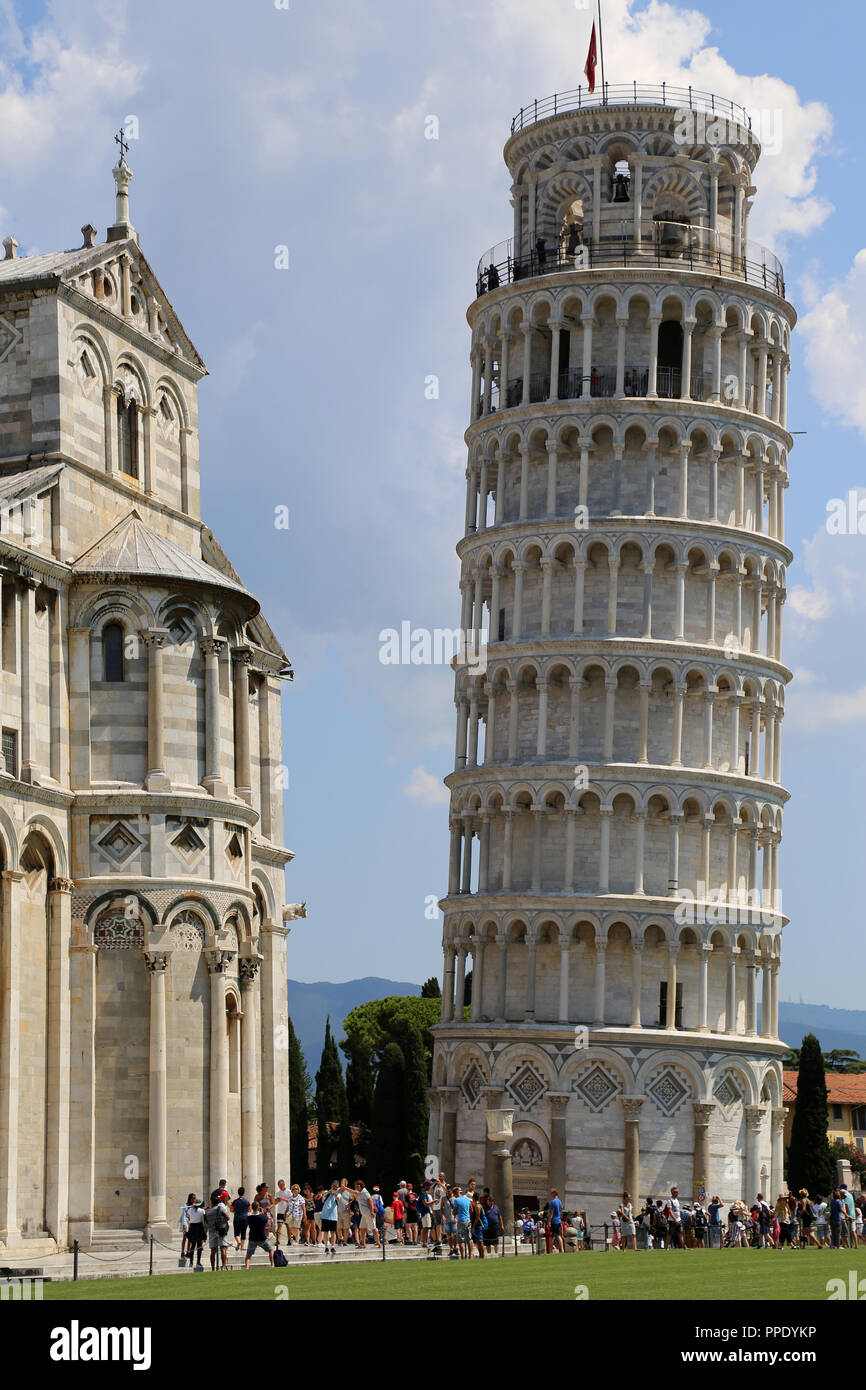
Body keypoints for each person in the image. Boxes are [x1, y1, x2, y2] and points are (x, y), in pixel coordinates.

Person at [204, 1192, 231, 1271]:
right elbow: (228, 1217)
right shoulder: (220, 1208)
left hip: (212, 1231)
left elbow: (206, 1222)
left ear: (211, 1202)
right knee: (223, 1248)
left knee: (213, 1250)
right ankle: (223, 1266)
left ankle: (213, 1268)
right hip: (221, 1230)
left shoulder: (208, 1211)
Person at [244, 1201, 274, 1268]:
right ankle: (272, 1264)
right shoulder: (262, 1217)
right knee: (270, 1250)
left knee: (248, 1255)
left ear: (252, 1208)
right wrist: (262, 1213)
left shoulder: (249, 1218)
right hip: (262, 1238)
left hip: (252, 1238)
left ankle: (247, 1267)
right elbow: (266, 1220)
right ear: (258, 1208)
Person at [354, 1180, 377, 1248]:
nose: (356, 1187)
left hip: (368, 1212)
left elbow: (370, 1202)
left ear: (361, 1186)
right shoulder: (360, 1192)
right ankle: (363, 1244)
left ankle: (378, 1243)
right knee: (362, 1228)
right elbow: (352, 1191)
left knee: (373, 1228)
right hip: (364, 1214)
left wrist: (372, 1212)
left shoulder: (365, 1192)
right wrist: (345, 1188)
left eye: (357, 1186)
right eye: (355, 1186)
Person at [185, 1197, 205, 1269]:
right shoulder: (201, 1210)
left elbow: (188, 1216)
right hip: (199, 1227)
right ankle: (198, 1262)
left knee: (192, 1245)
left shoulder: (190, 1210)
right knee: (199, 1245)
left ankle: (191, 1262)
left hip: (192, 1227)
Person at [452, 1186, 471, 1259]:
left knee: (460, 1240)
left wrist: (456, 1212)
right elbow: (471, 1210)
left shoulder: (456, 1200)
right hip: (468, 1220)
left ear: (454, 1194)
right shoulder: (467, 1199)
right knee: (469, 1239)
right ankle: (469, 1256)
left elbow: (454, 1212)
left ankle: (462, 1257)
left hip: (461, 1221)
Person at [320, 1182, 339, 1255]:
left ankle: (333, 1246)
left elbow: (338, 1198)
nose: (335, 1188)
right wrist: (330, 1191)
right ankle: (326, 1247)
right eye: (334, 1186)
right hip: (325, 1215)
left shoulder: (338, 1193)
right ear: (331, 1186)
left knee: (333, 1232)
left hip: (333, 1216)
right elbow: (323, 1195)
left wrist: (335, 1193)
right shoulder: (326, 1192)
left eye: (336, 1187)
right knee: (325, 1231)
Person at [179, 1193, 196, 1264]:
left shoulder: (194, 1206)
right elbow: (184, 1216)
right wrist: (185, 1225)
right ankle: (182, 1251)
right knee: (184, 1237)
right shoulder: (186, 1206)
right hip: (186, 1223)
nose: (194, 1199)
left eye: (195, 1198)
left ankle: (188, 1251)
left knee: (190, 1239)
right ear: (190, 1198)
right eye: (193, 1198)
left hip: (191, 1223)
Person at [232, 1187, 251, 1252]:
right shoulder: (247, 1201)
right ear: (244, 1193)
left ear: (238, 1193)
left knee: (236, 1233)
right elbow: (249, 1210)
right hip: (245, 1218)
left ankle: (238, 1241)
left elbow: (232, 1210)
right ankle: (242, 1246)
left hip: (237, 1218)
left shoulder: (235, 1201)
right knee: (243, 1232)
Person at [336, 1178, 353, 1247]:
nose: (342, 1184)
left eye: (343, 1183)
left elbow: (352, 1200)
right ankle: (340, 1239)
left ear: (346, 1184)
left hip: (346, 1212)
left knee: (346, 1228)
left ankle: (345, 1242)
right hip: (337, 1212)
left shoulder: (348, 1191)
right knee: (338, 1228)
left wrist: (349, 1204)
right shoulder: (337, 1190)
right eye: (341, 1183)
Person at [272, 1179, 290, 1244]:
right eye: (279, 1185)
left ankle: (289, 1240)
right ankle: (278, 1240)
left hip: (287, 1211)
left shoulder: (289, 1192)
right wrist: (277, 1200)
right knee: (279, 1225)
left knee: (288, 1226)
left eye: (281, 1185)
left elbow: (291, 1201)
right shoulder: (278, 1193)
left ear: (283, 1184)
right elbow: (275, 1202)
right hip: (280, 1211)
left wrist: (283, 1199)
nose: (280, 1187)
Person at [548, 1188, 564, 1253]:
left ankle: (551, 1250)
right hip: (559, 1221)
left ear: (554, 1194)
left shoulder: (552, 1202)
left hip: (554, 1221)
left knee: (552, 1236)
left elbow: (551, 1213)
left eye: (551, 1193)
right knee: (559, 1236)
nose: (550, 1195)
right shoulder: (560, 1202)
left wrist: (549, 1221)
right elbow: (560, 1212)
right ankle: (562, 1250)